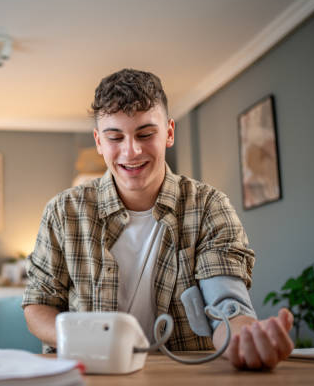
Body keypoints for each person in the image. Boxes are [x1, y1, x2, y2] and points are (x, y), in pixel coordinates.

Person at [22, 68, 294, 370]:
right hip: (89, 372)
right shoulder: (63, 212)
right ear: (99, 142)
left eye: (145, 133)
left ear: (169, 132)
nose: (131, 151)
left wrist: (244, 339)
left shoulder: (208, 206)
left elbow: (227, 307)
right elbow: (39, 304)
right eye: (115, 137)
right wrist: (90, 341)